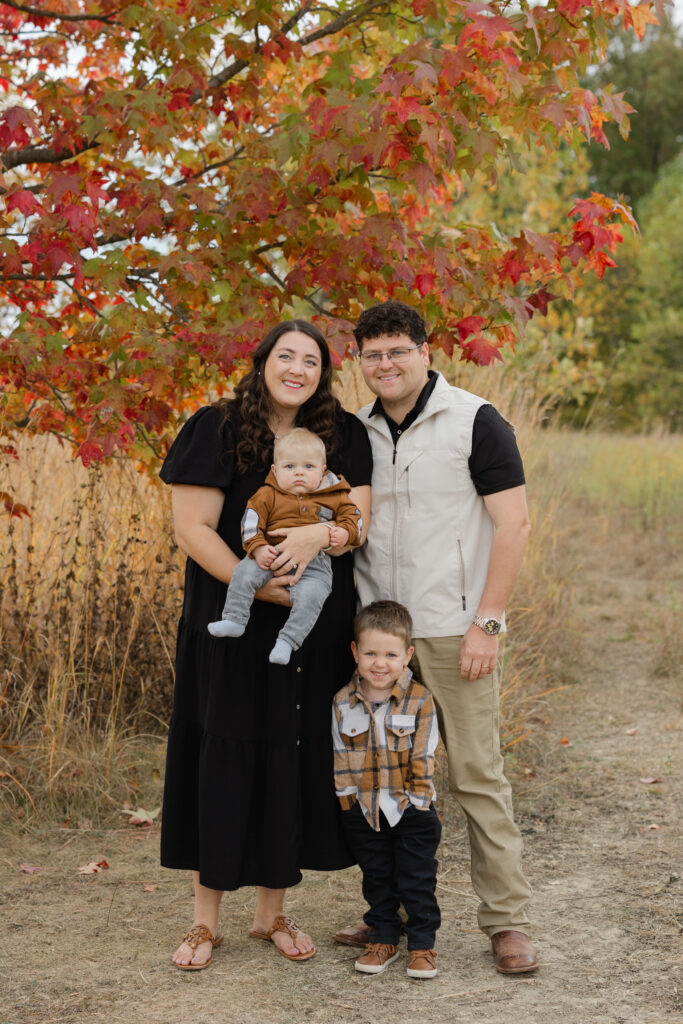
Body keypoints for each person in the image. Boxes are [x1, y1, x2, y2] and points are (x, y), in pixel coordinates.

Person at [159, 320, 372, 970]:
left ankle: (270, 914)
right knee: (223, 749)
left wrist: (317, 542)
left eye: (311, 360)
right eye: (286, 356)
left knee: (290, 750)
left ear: (322, 373)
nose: (298, 369)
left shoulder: (343, 434)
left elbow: (356, 522)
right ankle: (203, 923)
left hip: (308, 627)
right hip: (232, 616)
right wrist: (252, 587)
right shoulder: (216, 427)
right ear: (262, 362)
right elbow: (191, 527)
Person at [343, 300, 539, 975]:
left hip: (457, 633)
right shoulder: (355, 431)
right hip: (381, 641)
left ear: (426, 351)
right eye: (372, 354)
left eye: (397, 349)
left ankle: (506, 921)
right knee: (387, 777)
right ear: (360, 362)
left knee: (477, 776)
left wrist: (486, 621)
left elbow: (511, 526)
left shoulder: (474, 421)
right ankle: (387, 916)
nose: (385, 364)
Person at [332, 601, 441, 979]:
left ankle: (423, 945)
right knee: (376, 877)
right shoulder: (343, 703)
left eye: (391, 654)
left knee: (417, 879)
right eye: (371, 653)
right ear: (355, 653)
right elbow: (341, 755)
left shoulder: (420, 699)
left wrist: (418, 803)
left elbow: (425, 754)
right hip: (364, 811)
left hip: (411, 810)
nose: (380, 663)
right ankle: (383, 937)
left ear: (407, 655)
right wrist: (348, 804)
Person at [207, 427, 362, 665]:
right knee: (243, 572)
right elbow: (251, 521)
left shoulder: (335, 495)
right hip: (270, 553)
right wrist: (257, 548)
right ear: (275, 470)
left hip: (315, 564)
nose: (299, 473)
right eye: (290, 467)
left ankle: (288, 641)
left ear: (322, 470)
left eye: (308, 467)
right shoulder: (267, 494)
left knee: (314, 595)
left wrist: (344, 531)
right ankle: (235, 619)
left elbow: (355, 518)